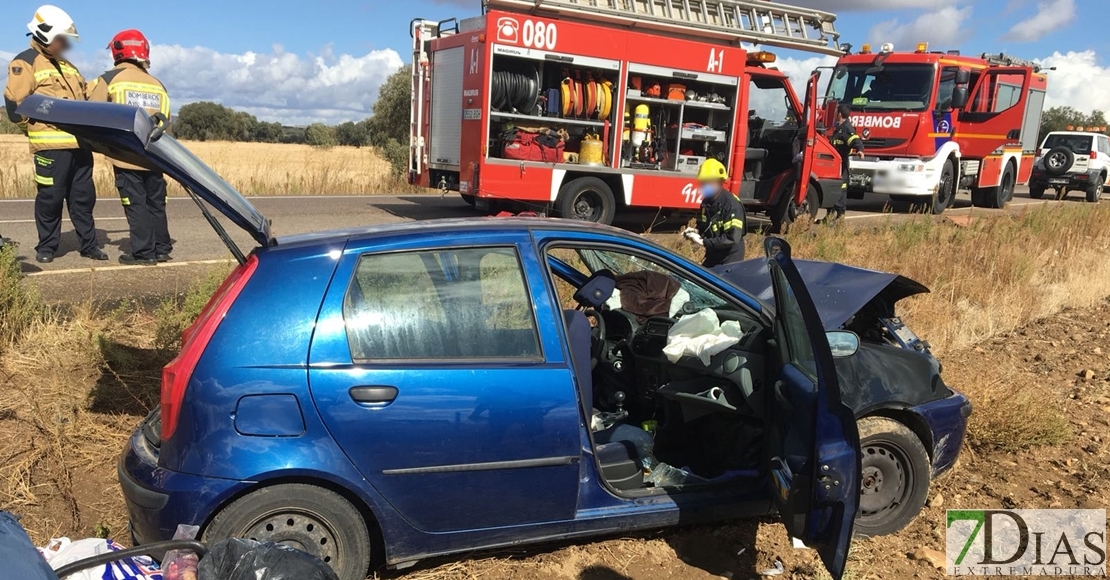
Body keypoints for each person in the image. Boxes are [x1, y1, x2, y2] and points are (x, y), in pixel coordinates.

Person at [3, 5, 106, 264]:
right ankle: (47, 246)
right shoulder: (24, 61)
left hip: (80, 146)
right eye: (61, 39)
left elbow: (84, 95)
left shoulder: (69, 67)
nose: (64, 44)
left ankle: (89, 246)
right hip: (50, 147)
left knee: (83, 200)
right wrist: (35, 130)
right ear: (45, 34)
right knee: (50, 199)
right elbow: (16, 104)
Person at [87, 30, 173, 265]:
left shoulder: (110, 79)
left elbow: (91, 113)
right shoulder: (158, 84)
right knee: (156, 204)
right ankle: (162, 248)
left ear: (117, 50)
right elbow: (167, 120)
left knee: (135, 205)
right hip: (155, 157)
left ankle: (143, 253)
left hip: (126, 156)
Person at [683, 158, 746, 267]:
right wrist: (696, 231)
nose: (704, 185)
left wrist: (704, 242)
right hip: (714, 252)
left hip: (730, 257)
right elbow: (706, 226)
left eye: (708, 182)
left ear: (719, 182)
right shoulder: (707, 202)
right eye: (702, 182)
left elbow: (732, 238)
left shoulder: (731, 204)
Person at [825, 103, 865, 223]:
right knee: (832, 188)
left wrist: (860, 150)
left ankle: (840, 217)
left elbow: (855, 140)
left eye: (837, 112)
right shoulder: (837, 127)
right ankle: (829, 216)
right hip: (834, 165)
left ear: (840, 114)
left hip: (842, 166)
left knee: (841, 190)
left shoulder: (847, 128)